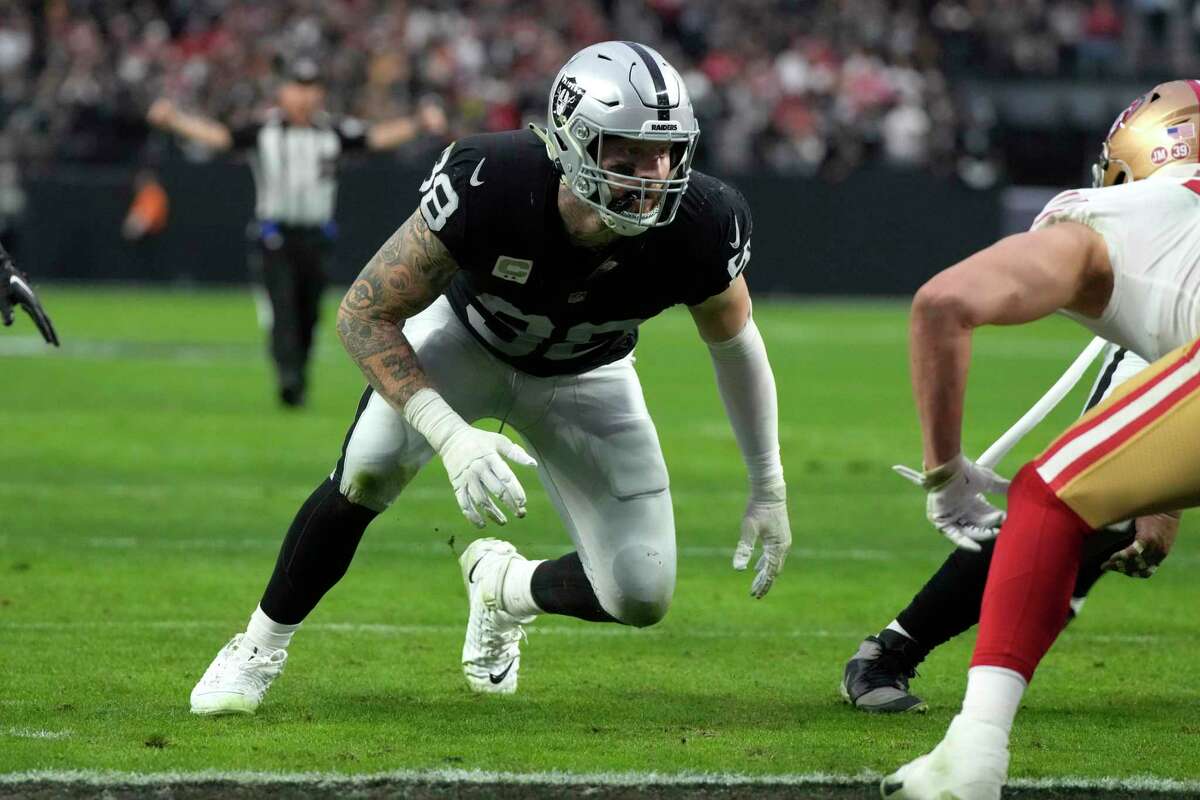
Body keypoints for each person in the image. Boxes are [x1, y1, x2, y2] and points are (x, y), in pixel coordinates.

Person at [187, 41, 791, 715]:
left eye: (667, 152)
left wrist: (768, 484)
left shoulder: (704, 221)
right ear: (573, 141)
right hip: (466, 344)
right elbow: (364, 314)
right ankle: (259, 646)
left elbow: (735, 342)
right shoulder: (492, 180)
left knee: (641, 595)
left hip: (591, 373)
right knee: (367, 471)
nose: (654, 175)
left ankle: (504, 588)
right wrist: (448, 435)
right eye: (627, 153)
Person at [881, 79, 1200, 799]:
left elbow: (944, 302)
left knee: (1047, 496)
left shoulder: (1113, 215)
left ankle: (973, 755)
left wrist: (944, 474)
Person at [841, 343, 1180, 713]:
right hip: (1164, 346)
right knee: (1088, 512)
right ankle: (886, 654)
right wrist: (1163, 504)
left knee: (1100, 525)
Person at [147, 59, 437, 407]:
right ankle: (289, 378)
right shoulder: (265, 131)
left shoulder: (332, 132)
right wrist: (176, 119)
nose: (305, 95)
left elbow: (375, 138)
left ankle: (297, 372)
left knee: (309, 313)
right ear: (283, 92)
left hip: (316, 238)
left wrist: (419, 123)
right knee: (282, 307)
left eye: (312, 86)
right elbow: (221, 137)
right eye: (298, 86)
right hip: (276, 237)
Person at [1, 241, 58, 346]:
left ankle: (52, 341)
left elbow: (5, 261)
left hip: (9, 275)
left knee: (35, 307)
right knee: (8, 320)